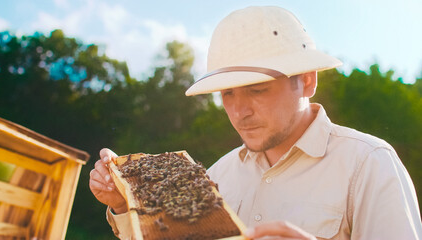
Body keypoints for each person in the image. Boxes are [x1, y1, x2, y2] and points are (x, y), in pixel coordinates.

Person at [89, 6, 422, 239]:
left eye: (257, 90)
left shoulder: (369, 164)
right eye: (227, 94)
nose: (239, 111)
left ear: (307, 81)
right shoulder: (215, 176)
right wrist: (122, 202)